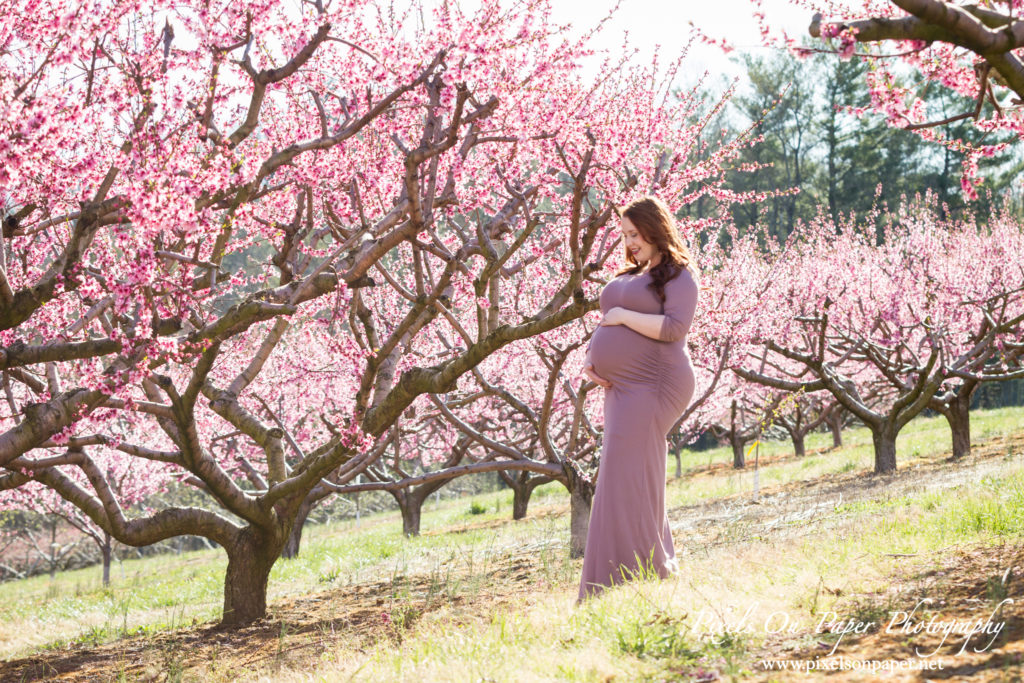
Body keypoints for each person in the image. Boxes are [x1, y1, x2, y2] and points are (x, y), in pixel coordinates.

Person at [576, 195, 699, 604]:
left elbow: (675, 328)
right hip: (622, 389)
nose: (629, 243)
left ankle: (642, 572)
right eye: (624, 235)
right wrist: (595, 364)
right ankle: (639, 569)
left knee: (626, 476)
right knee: (623, 475)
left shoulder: (678, 275)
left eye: (635, 234)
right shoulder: (635, 273)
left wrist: (623, 319)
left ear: (654, 229)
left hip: (656, 383)